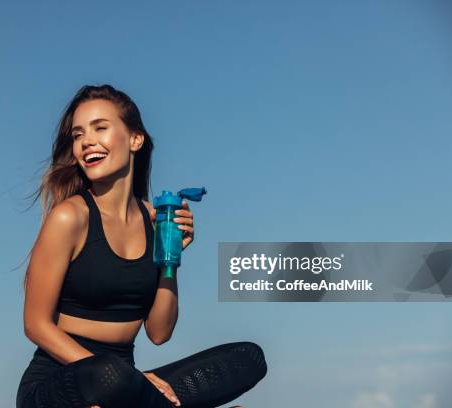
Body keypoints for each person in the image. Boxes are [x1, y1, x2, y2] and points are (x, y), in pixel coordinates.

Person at [16, 84, 267, 408]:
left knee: (248, 357)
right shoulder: (70, 218)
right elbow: (35, 325)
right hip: (62, 381)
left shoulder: (154, 222)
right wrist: (130, 379)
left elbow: (159, 333)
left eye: (100, 128)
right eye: (78, 135)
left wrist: (170, 257)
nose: (86, 142)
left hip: (127, 388)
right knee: (110, 374)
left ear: (135, 139)